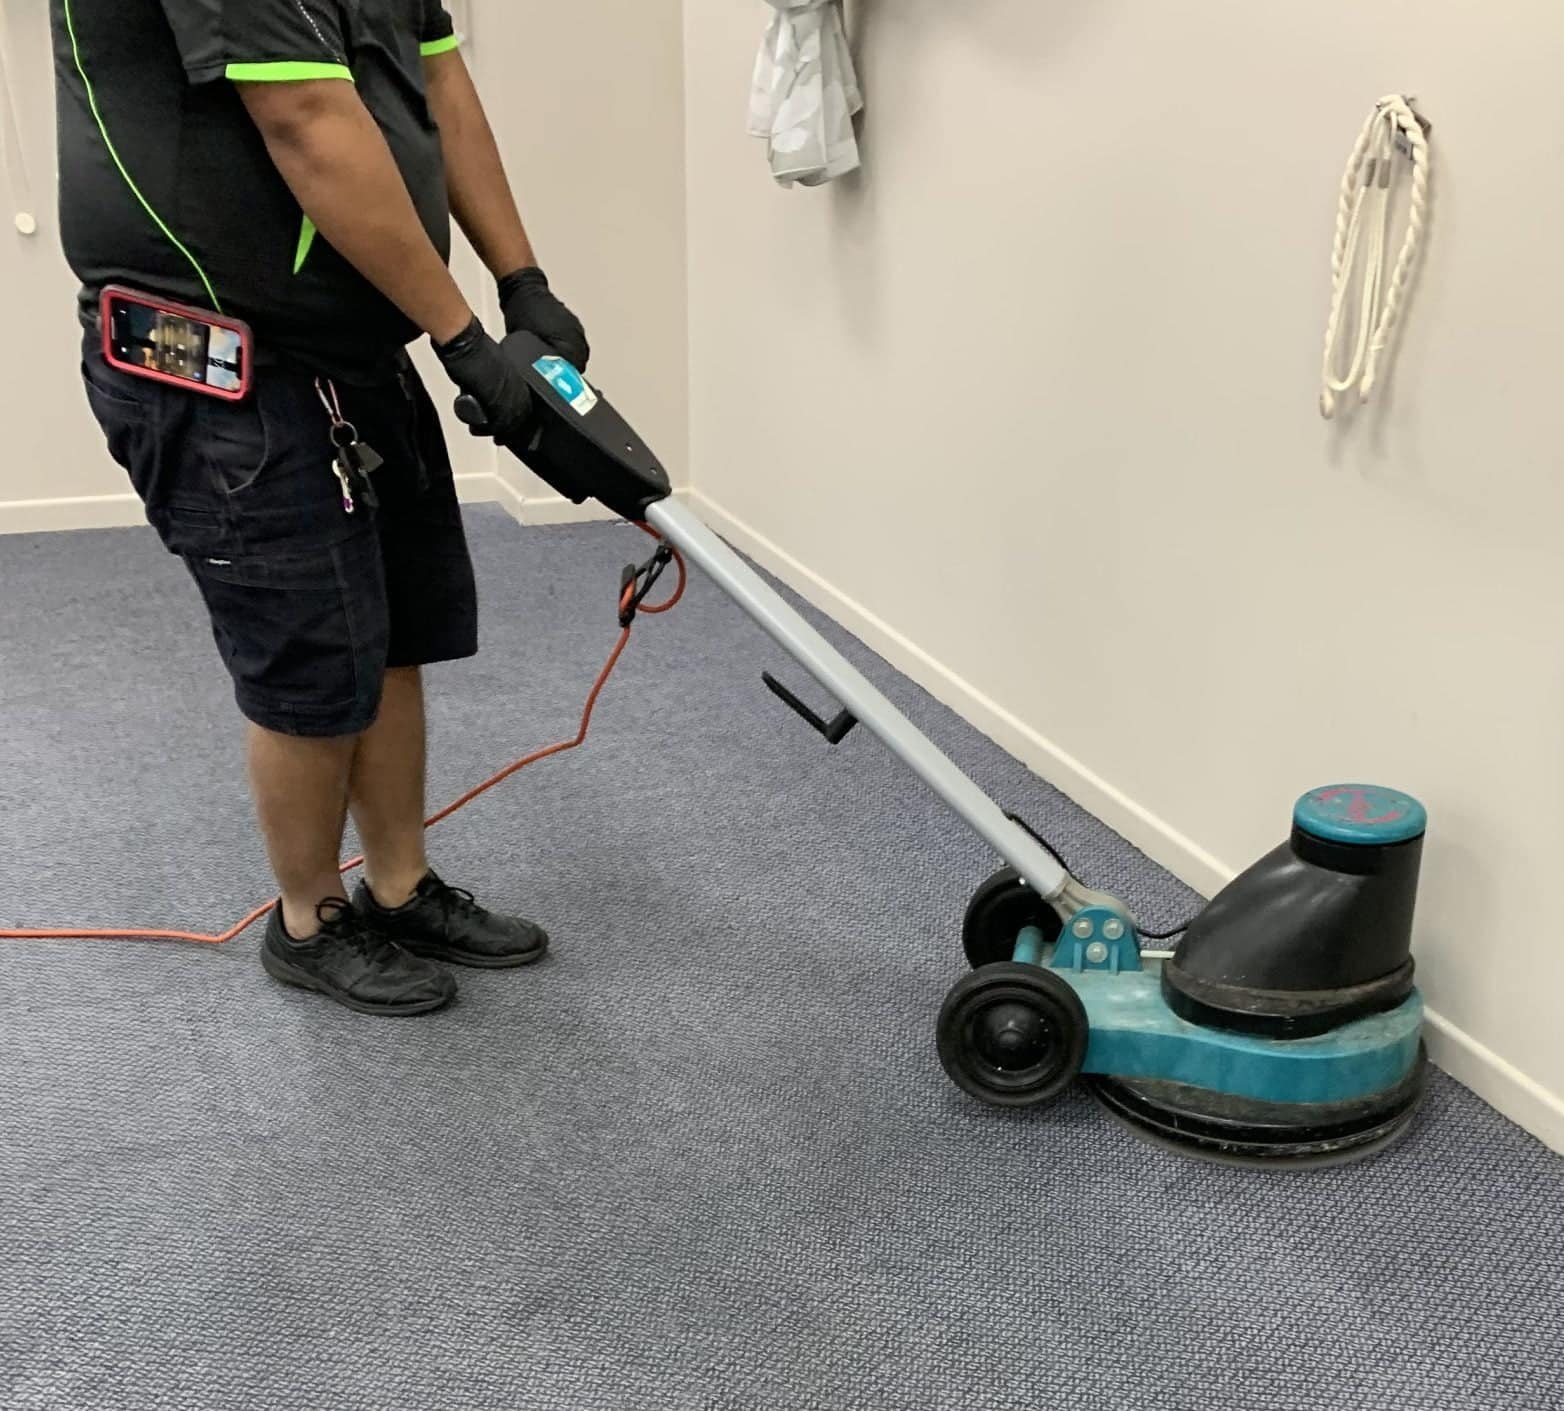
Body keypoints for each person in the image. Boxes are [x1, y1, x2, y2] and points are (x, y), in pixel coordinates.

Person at [50, 1, 588, 1016]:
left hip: (350, 338)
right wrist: (462, 335)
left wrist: (522, 282)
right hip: (216, 363)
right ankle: (307, 917)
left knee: (390, 628)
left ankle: (398, 883)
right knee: (307, 647)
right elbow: (301, 112)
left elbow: (439, 83)